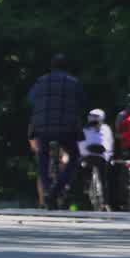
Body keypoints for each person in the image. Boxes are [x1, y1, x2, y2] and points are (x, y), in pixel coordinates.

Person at [27, 53, 85, 209]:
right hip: (66, 128)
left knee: (42, 156)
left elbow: (31, 100)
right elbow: (82, 102)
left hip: (42, 127)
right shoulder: (74, 82)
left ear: (51, 67)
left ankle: (46, 190)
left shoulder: (40, 82)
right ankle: (57, 189)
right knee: (74, 156)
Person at [78, 109, 113, 209]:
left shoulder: (105, 129)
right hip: (92, 156)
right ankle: (103, 202)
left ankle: (105, 202)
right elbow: (109, 145)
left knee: (103, 179)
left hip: (97, 156)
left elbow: (108, 144)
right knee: (101, 179)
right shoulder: (86, 129)